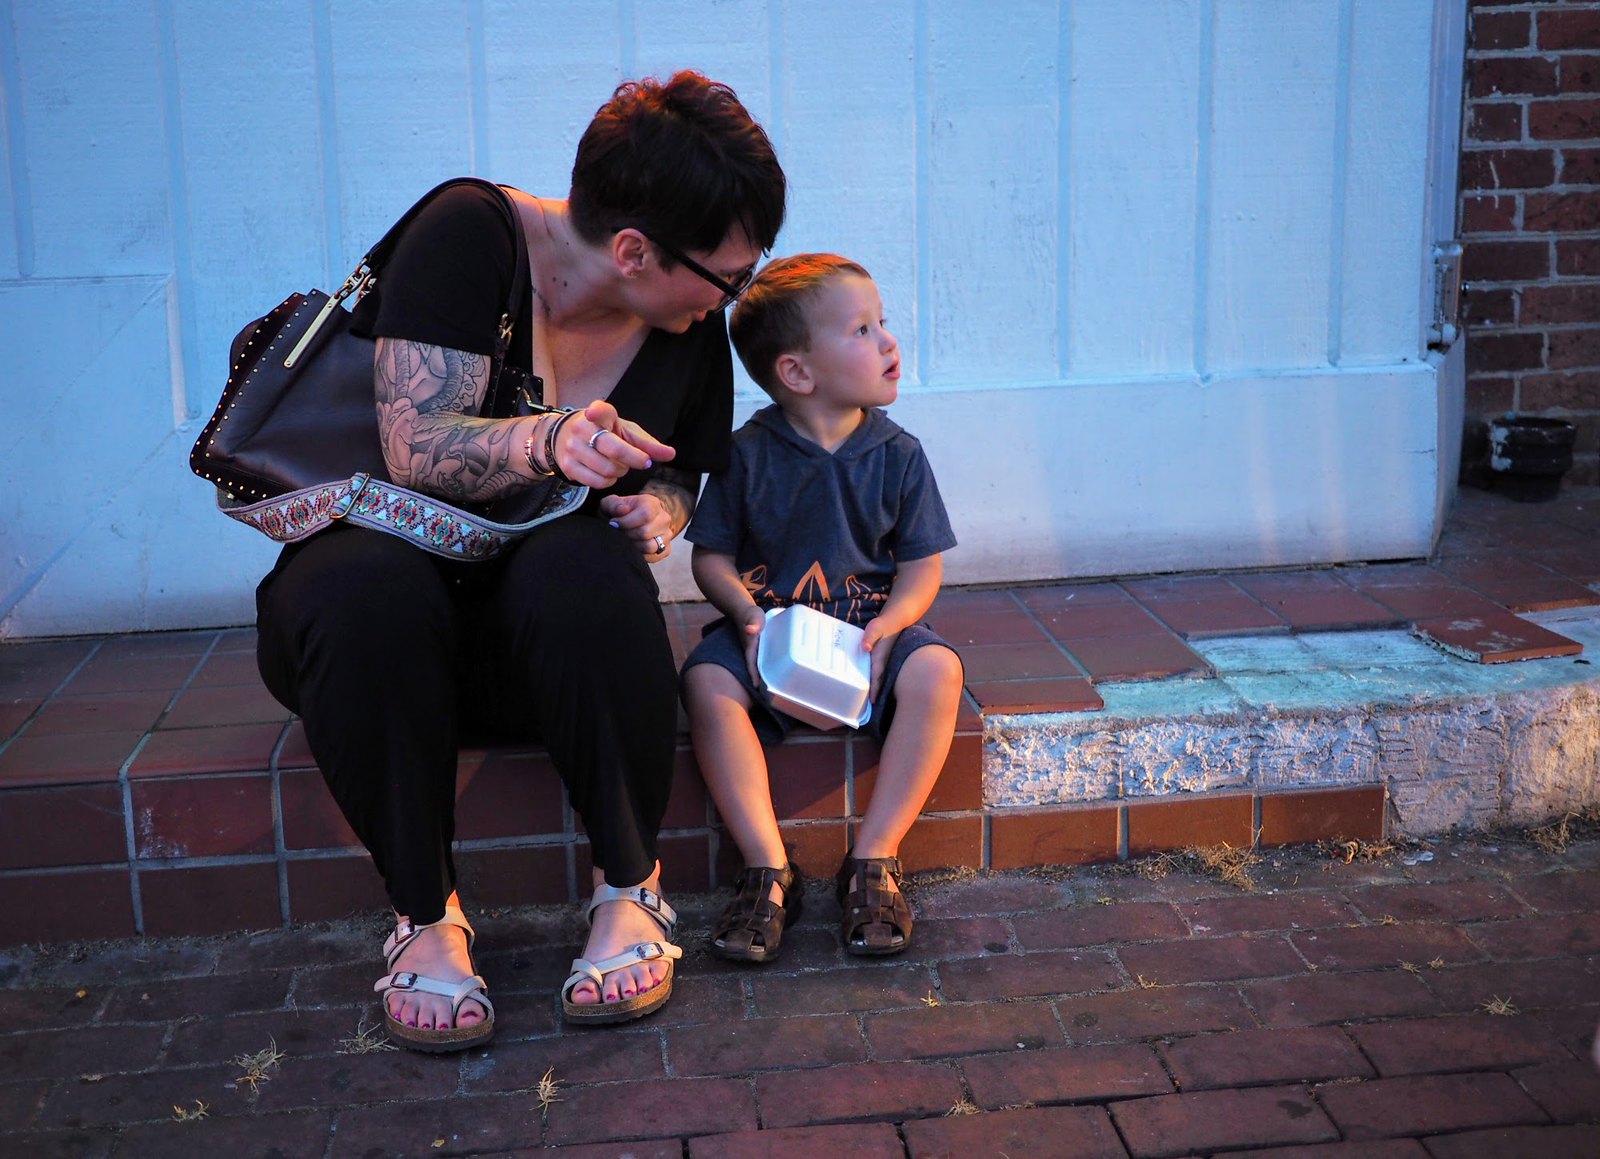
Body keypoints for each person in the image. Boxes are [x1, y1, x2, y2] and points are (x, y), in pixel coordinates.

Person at [254, 71, 786, 1047]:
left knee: (582, 565)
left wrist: (660, 513)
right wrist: (550, 440)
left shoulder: (683, 319)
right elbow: (414, 445)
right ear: (634, 250)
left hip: (544, 658)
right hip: (379, 649)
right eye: (730, 277)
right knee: (364, 580)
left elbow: (681, 473)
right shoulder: (471, 233)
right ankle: (426, 917)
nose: (734, 295)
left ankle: (630, 889)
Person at [680, 253, 964, 962]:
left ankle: (874, 859)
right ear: (797, 372)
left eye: (882, 322)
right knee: (705, 681)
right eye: (863, 329)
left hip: (871, 630)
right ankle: (767, 868)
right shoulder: (746, 455)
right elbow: (710, 557)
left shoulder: (898, 455)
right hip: (771, 631)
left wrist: (893, 624)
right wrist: (746, 617)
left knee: (939, 672)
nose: (889, 341)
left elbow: (921, 567)